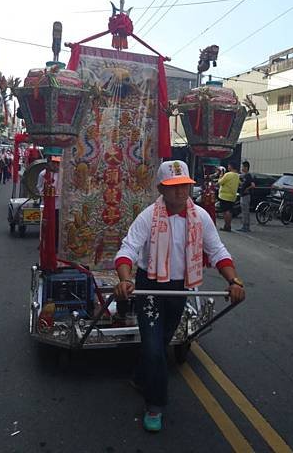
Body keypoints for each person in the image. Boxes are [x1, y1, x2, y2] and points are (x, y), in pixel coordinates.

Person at [114, 160, 245, 433]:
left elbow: (218, 251)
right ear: (162, 188)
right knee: (153, 346)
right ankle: (155, 405)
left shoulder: (201, 217)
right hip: (149, 287)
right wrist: (126, 279)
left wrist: (233, 280)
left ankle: (140, 377)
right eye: (173, 188)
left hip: (179, 288)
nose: (180, 192)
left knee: (161, 343)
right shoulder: (148, 216)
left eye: (184, 186)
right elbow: (128, 250)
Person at [37, 155, 62, 245]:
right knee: (46, 224)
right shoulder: (43, 174)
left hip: (58, 204)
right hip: (47, 203)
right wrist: (45, 192)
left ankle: (55, 243)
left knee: (57, 225)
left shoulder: (63, 174)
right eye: (54, 163)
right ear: (50, 163)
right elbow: (39, 187)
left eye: (57, 163)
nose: (55, 165)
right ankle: (44, 242)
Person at [217, 161, 240, 232]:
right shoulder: (237, 175)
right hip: (232, 196)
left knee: (225, 211)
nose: (228, 167)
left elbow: (220, 182)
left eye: (229, 165)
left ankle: (226, 225)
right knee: (229, 211)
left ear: (231, 166)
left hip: (224, 196)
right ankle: (228, 225)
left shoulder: (228, 174)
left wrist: (220, 176)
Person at [237, 160, 254, 233]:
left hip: (246, 196)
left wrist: (247, 189)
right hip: (243, 195)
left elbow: (253, 185)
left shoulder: (248, 175)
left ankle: (246, 226)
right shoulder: (244, 176)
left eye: (243, 166)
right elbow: (243, 183)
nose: (242, 168)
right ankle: (244, 225)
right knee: (243, 211)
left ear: (246, 167)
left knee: (245, 211)